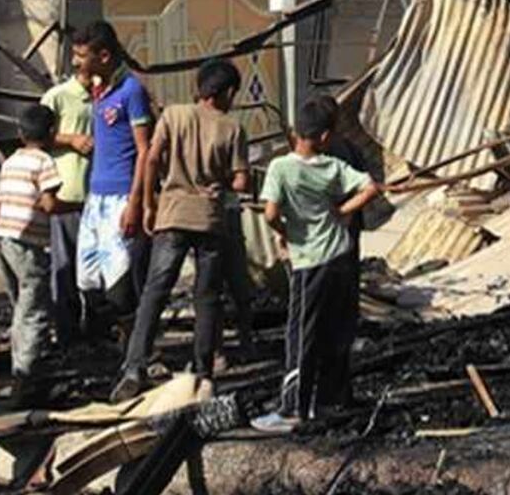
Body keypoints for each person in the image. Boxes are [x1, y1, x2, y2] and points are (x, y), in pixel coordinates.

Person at [111, 59, 250, 403]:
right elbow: (241, 180)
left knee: (154, 293)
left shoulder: (173, 115)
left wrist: (147, 203)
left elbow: (152, 159)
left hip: (171, 215)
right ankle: (203, 373)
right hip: (210, 220)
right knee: (207, 298)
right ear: (227, 92)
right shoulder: (232, 128)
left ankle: (134, 367)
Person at [251, 98, 379, 433]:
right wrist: (343, 212)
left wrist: (285, 232)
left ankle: (293, 408)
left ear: (296, 132)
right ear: (325, 135)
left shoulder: (281, 168)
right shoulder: (338, 161)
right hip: (342, 255)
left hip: (310, 260)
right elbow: (370, 187)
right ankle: (332, 398)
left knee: (301, 334)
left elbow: (269, 213)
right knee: (337, 327)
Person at [73, 22, 153, 333]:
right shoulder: (99, 91)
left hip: (121, 197)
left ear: (103, 56)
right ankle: (117, 346)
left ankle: (140, 352)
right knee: (89, 282)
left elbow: (144, 151)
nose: (77, 62)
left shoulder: (131, 91)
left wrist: (136, 203)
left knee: (120, 286)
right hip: (96, 199)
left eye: (82, 55)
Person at [0, 105, 64, 407]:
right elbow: (48, 204)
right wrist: (75, 207)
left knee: (20, 306)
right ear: (52, 134)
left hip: (2, 239)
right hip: (27, 243)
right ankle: (26, 378)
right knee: (33, 310)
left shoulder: (10, 162)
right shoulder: (44, 162)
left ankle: (24, 367)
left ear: (20, 134)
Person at [312, 94, 368, 410]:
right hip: (344, 248)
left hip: (325, 251)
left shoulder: (323, 157)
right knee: (341, 322)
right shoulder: (349, 152)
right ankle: (339, 393)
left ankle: (323, 395)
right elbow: (367, 193)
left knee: (321, 322)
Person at [40, 55, 94, 346]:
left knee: (96, 270)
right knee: (65, 269)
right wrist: (71, 139)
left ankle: (97, 332)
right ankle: (68, 335)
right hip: (67, 195)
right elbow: (36, 134)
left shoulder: (108, 95)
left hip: (99, 197)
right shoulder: (57, 97)